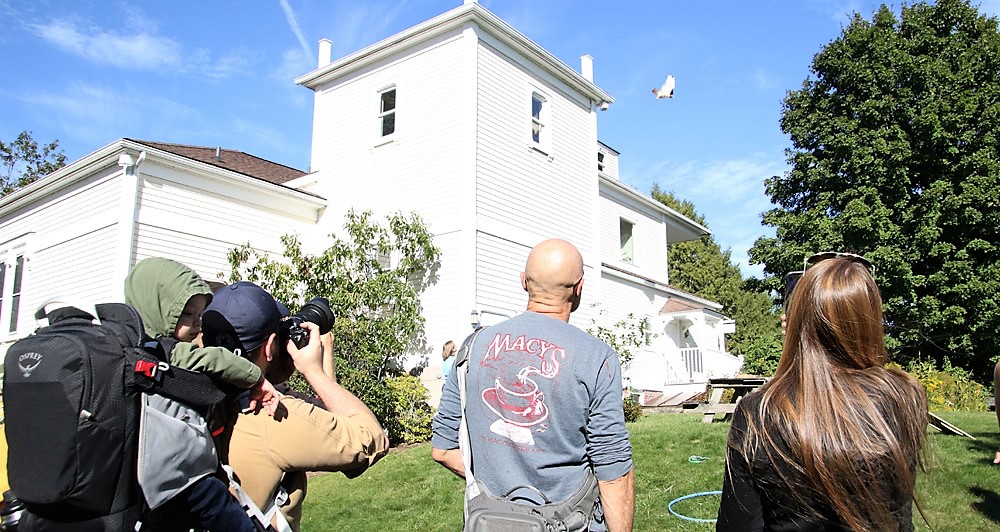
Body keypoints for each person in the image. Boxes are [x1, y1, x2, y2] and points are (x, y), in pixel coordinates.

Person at [431, 238, 635, 532]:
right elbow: (614, 474)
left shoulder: (472, 348)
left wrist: (500, 490)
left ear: (523, 282)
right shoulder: (595, 357)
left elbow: (443, 449)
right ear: (579, 288)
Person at [717, 255, 928, 531]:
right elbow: (900, 519)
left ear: (796, 322)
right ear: (871, 320)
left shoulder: (759, 413)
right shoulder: (905, 398)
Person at [200, 281, 390, 531]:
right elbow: (371, 439)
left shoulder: (198, 396)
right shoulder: (271, 414)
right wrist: (315, 372)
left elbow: (324, 423)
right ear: (269, 347)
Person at [123, 257, 278, 532]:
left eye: (200, 315)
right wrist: (257, 378)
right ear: (158, 307)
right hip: (176, 479)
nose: (197, 324)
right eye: (186, 314)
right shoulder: (164, 351)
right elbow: (216, 360)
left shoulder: (125, 348)